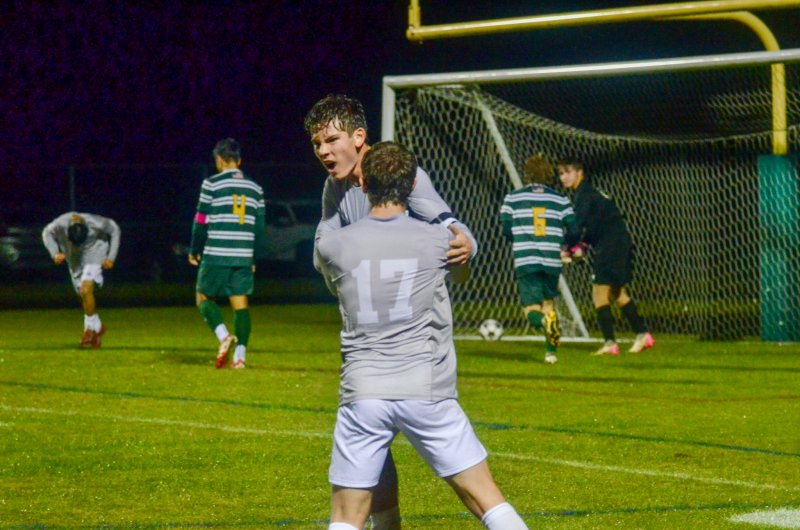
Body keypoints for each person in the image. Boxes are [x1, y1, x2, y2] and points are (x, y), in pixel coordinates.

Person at [317, 141, 528, 530]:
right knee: (488, 501)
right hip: (426, 389)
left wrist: (332, 200)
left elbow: (328, 250)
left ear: (364, 186)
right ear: (412, 185)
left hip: (363, 393)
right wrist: (454, 228)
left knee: (346, 519)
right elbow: (462, 268)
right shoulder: (439, 242)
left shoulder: (333, 246)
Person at [304, 93, 479, 527]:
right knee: (373, 446)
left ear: (359, 137)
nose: (324, 151)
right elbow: (324, 245)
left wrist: (465, 238)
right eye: (316, 144)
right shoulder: (335, 188)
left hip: (418, 342)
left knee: (463, 479)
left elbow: (448, 223)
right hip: (372, 340)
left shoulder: (405, 177)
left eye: (331, 140)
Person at [558, 157, 655, 355]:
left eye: (568, 172)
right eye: (560, 173)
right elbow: (593, 226)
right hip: (617, 243)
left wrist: (567, 247)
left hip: (611, 246)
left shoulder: (584, 195)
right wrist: (580, 246)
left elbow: (578, 226)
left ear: (580, 172)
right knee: (616, 293)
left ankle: (611, 343)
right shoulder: (589, 193)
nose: (564, 177)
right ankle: (642, 334)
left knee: (599, 292)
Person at [189, 138, 267, 369]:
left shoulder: (211, 184)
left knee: (203, 298)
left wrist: (194, 250)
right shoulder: (256, 188)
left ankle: (224, 337)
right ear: (239, 160)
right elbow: (259, 228)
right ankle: (240, 357)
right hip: (243, 254)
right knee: (240, 304)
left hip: (216, 253)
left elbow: (200, 221)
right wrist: (253, 256)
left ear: (219, 160)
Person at [500, 154, 576, 364]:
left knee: (531, 310)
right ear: (548, 174)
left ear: (527, 174)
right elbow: (574, 228)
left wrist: (515, 239)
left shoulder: (513, 198)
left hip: (527, 259)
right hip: (552, 260)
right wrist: (567, 247)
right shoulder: (560, 199)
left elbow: (506, 226)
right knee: (549, 304)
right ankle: (551, 354)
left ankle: (542, 322)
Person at [42, 212, 121, 348]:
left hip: (95, 254)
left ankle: (88, 330)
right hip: (74, 259)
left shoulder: (96, 223)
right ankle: (98, 329)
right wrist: (54, 252)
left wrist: (110, 257)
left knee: (85, 290)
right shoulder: (60, 224)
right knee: (83, 294)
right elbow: (46, 233)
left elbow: (114, 229)